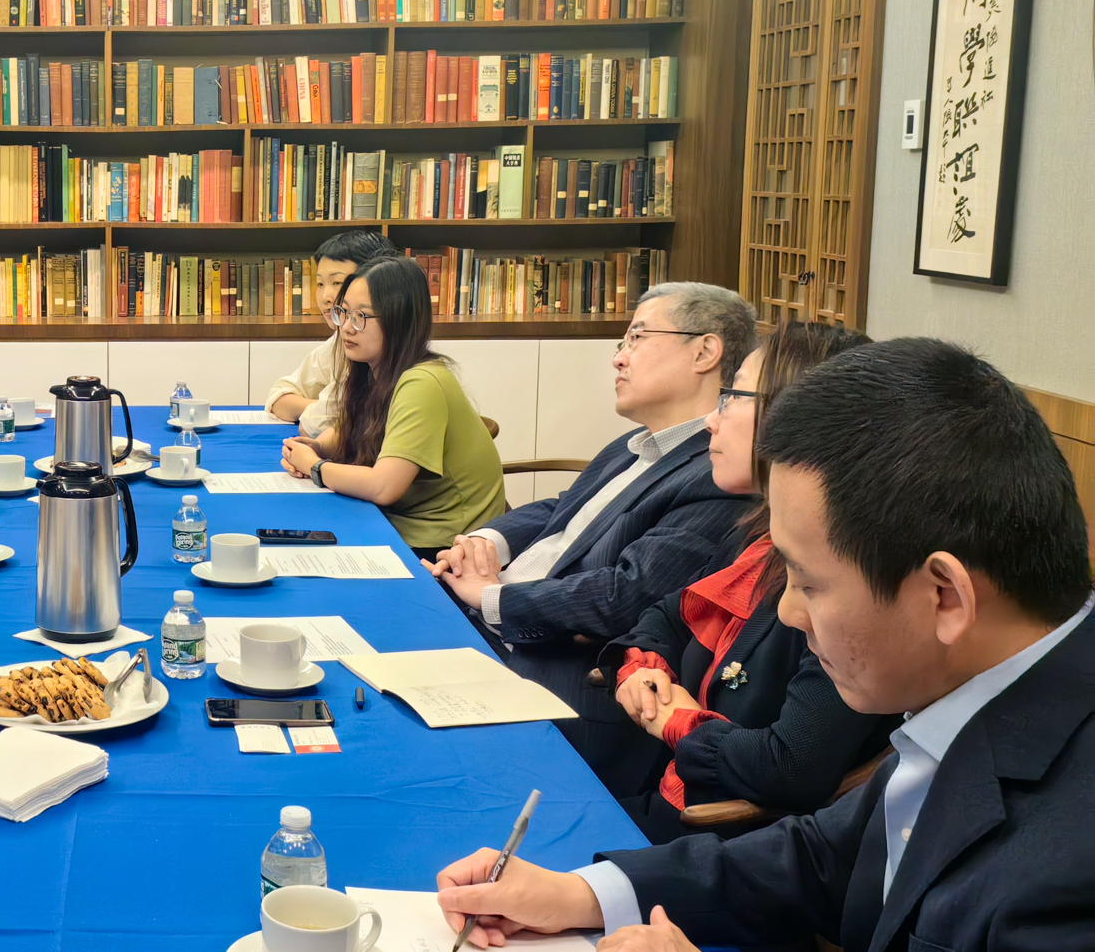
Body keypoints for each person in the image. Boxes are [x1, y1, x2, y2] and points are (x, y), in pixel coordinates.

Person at [434, 339, 1095, 952]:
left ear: (944, 596)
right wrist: (578, 893)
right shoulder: (1004, 695)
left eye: (808, 583)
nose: (787, 611)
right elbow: (818, 858)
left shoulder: (1073, 870)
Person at [595, 322, 896, 848]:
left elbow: (790, 765)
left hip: (718, 842)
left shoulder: (854, 578)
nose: (712, 419)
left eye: (732, 396)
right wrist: (645, 668)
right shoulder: (759, 532)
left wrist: (679, 721)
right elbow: (667, 614)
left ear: (797, 420)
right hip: (661, 795)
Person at [430, 282, 755, 732]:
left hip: (550, 669)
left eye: (637, 338)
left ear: (704, 352)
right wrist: (485, 542)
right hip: (486, 620)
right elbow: (563, 509)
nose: (619, 358)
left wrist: (492, 598)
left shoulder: (717, 474)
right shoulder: (634, 443)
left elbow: (625, 597)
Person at [279, 258, 506, 553]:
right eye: (343, 312)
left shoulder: (422, 383)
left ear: (400, 321)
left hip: (446, 546)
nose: (346, 327)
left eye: (361, 316)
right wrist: (317, 446)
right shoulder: (374, 369)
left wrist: (315, 466)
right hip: (401, 523)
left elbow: (383, 487)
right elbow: (357, 429)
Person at [263, 229, 400, 436]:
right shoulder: (340, 339)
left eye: (337, 283)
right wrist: (321, 407)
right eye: (320, 283)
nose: (325, 297)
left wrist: (324, 412)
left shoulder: (379, 345)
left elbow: (312, 426)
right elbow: (278, 398)